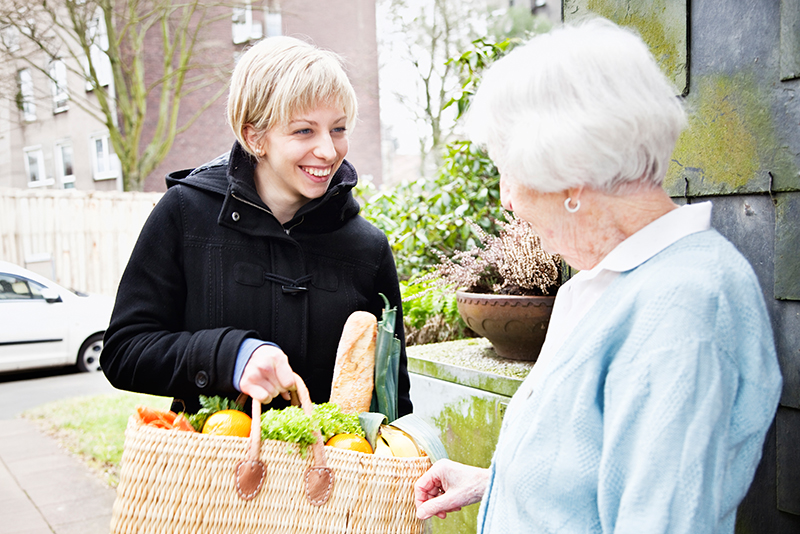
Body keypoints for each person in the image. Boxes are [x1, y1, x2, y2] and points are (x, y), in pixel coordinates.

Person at [414, 19, 782, 533]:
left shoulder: (683, 307)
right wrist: (497, 482)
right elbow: (596, 464)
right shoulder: (614, 282)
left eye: (508, 170)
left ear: (568, 175)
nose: (507, 199)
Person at [101, 36, 412, 416]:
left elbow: (394, 396)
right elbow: (124, 351)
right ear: (254, 137)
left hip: (329, 472)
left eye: (338, 129)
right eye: (303, 131)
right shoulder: (184, 214)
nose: (329, 151)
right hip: (208, 469)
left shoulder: (368, 248)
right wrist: (232, 356)